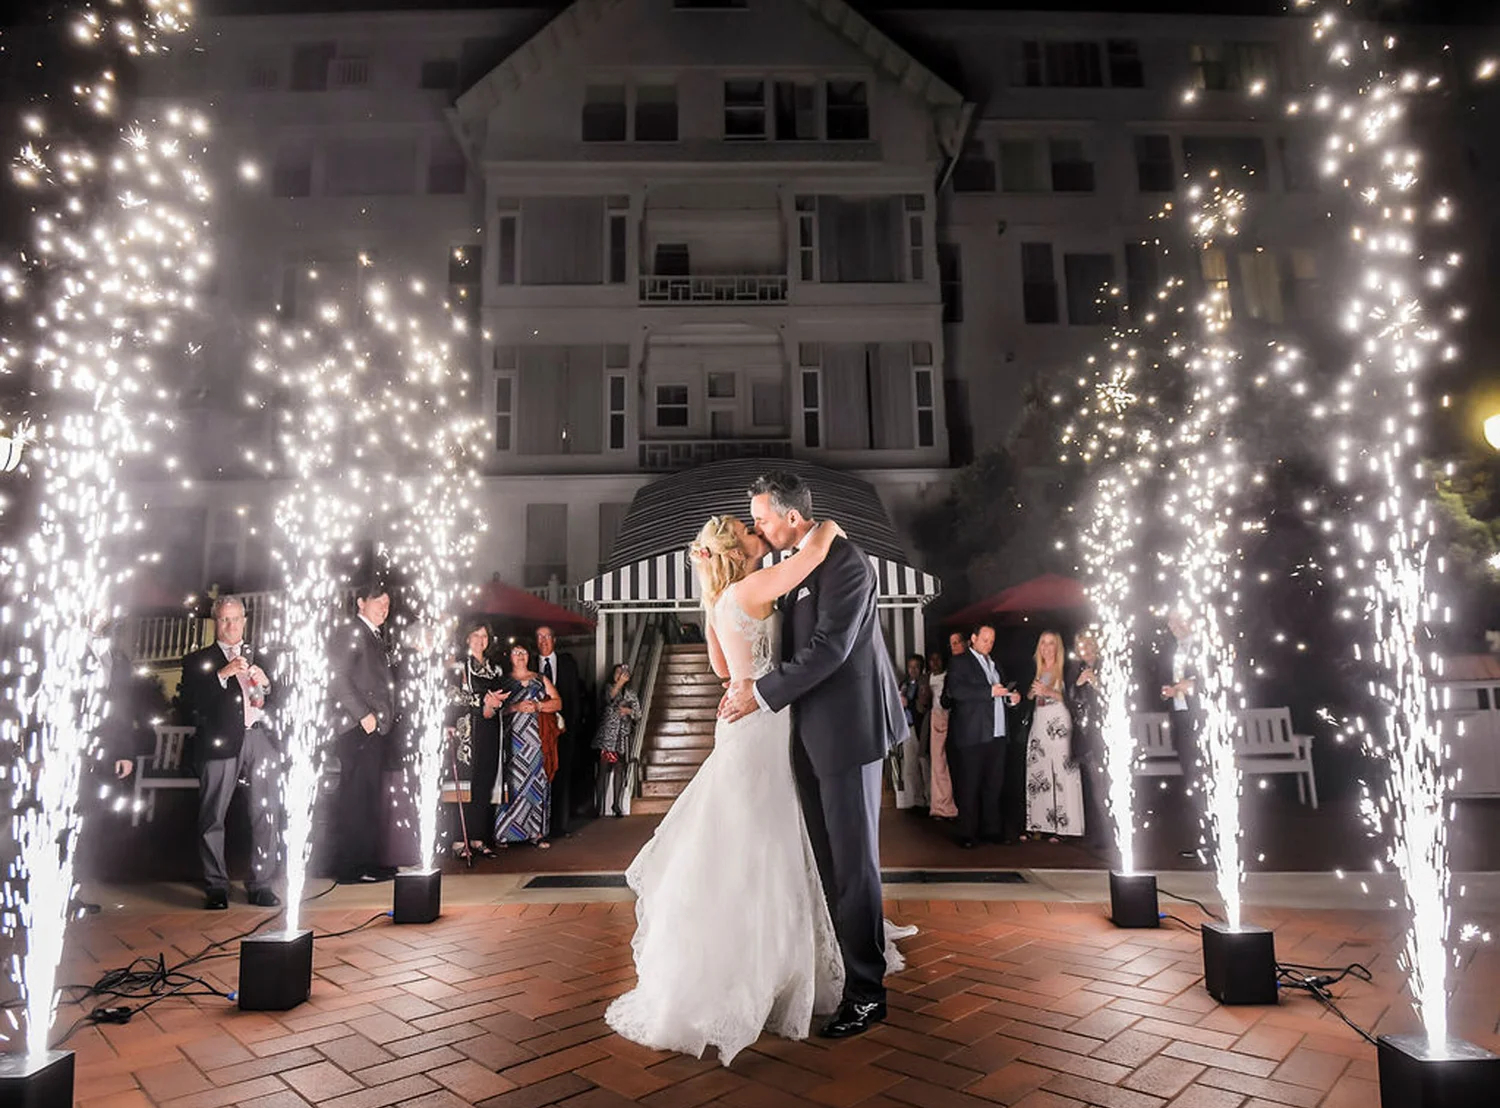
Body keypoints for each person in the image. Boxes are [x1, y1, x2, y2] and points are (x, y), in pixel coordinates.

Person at [609, 506, 906, 1066]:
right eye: (750, 529)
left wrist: (744, 666)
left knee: (751, 849)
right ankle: (772, 968)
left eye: (758, 521)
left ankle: (753, 964)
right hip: (764, 725)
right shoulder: (755, 586)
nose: (758, 531)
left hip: (746, 728)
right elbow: (811, 556)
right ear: (736, 549)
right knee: (770, 847)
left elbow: (724, 672)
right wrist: (828, 528)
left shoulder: (722, 599)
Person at [717, 471, 911, 1041]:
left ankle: (868, 995)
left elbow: (832, 648)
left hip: (848, 734)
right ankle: (842, 972)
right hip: (804, 735)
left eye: (762, 518)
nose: (758, 527)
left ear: (792, 517)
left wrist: (760, 693)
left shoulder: (846, 562)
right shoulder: (798, 565)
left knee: (854, 867)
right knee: (826, 864)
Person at [179, 597, 282, 909]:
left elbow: (282, 699)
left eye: (236, 619)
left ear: (245, 620)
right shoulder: (198, 660)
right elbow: (190, 705)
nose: (231, 625)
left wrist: (268, 686)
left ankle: (261, 884)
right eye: (224, 619)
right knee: (213, 815)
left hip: (261, 739)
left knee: (266, 813)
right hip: (220, 743)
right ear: (216, 622)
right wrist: (221, 675)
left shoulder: (263, 655)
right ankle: (216, 886)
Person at [329, 583, 398, 884]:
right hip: (356, 728)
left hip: (374, 727)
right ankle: (350, 867)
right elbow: (337, 677)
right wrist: (363, 715)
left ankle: (368, 861)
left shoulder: (375, 636)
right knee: (356, 798)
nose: (384, 608)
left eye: (387, 604)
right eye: (378, 602)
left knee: (369, 797)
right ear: (361, 603)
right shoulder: (351, 632)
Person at [941, 622, 1021, 849]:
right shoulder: (960, 662)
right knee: (969, 784)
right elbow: (956, 691)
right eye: (985, 640)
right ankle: (967, 832)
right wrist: (989, 691)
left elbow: (999, 692)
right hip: (972, 734)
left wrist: (1011, 698)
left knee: (993, 785)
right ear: (973, 639)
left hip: (997, 732)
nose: (988, 644)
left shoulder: (995, 664)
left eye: (992, 641)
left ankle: (991, 830)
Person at [493, 643, 561, 848]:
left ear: (528, 655)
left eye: (523, 652)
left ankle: (536, 833)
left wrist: (539, 705)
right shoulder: (503, 681)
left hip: (536, 740)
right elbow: (496, 709)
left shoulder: (540, 679)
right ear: (510, 656)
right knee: (511, 784)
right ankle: (504, 833)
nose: (520, 655)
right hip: (511, 741)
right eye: (516, 652)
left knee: (536, 783)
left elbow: (558, 702)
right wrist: (516, 707)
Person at [451, 621, 507, 858]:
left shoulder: (495, 668)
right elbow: (454, 697)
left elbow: (502, 694)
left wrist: (495, 704)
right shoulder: (459, 665)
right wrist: (482, 702)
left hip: (490, 726)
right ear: (467, 638)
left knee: (485, 781)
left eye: (484, 636)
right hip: (468, 729)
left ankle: (478, 836)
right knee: (466, 782)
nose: (480, 640)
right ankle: (459, 839)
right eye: (476, 635)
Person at [1023, 630, 1084, 842]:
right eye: (1043, 643)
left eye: (1051, 643)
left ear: (1057, 647)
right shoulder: (1037, 669)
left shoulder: (1066, 669)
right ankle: (1040, 823)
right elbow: (1030, 697)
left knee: (1063, 773)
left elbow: (1074, 698)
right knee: (1039, 772)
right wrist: (1032, 692)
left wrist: (1049, 692)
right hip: (1039, 724)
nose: (1046, 648)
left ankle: (1066, 827)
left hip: (1060, 726)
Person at [1161, 609, 1203, 857]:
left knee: (1202, 778)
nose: (1173, 625)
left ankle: (1213, 841)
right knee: (1192, 781)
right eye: (1170, 621)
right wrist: (1169, 691)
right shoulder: (1174, 650)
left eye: (1177, 620)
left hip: (1201, 721)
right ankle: (1202, 839)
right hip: (1181, 720)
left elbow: (1217, 678)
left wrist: (1193, 685)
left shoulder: (1202, 645)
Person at [534, 624, 583, 835]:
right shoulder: (530, 664)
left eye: (547, 636)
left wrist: (573, 726)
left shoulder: (567, 663)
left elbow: (574, 696)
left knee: (561, 775)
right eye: (539, 637)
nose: (543, 641)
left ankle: (559, 826)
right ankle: (538, 825)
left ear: (554, 640)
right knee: (539, 775)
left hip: (563, 731)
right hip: (538, 732)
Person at [1067, 630, 1112, 850]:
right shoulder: (1076, 669)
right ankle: (1100, 832)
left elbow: (1114, 696)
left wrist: (1096, 683)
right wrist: (1078, 684)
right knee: (1094, 785)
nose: (1085, 651)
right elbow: (1071, 700)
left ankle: (1112, 830)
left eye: (1088, 645)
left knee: (1107, 784)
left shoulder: (1107, 666)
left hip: (1107, 734)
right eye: (1081, 647)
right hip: (1087, 736)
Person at [592, 662, 639, 818]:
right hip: (608, 736)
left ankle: (616, 805)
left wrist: (629, 711)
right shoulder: (608, 688)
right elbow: (609, 698)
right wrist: (620, 683)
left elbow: (638, 713)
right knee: (602, 770)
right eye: (617, 673)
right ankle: (597, 805)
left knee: (619, 769)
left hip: (622, 737)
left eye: (623, 673)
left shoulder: (630, 693)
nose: (620, 675)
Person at [893, 655, 930, 810]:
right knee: (910, 766)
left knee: (925, 765)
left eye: (916, 667)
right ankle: (917, 801)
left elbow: (924, 705)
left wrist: (909, 703)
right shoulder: (904, 684)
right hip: (907, 727)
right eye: (910, 667)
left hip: (920, 727)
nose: (913, 670)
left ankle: (930, 800)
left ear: (921, 668)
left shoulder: (925, 682)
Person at [924, 650, 957, 820]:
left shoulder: (949, 676)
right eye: (932, 660)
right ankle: (939, 806)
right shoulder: (926, 678)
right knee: (937, 763)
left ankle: (950, 806)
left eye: (938, 659)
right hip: (935, 718)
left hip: (950, 718)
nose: (935, 663)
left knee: (948, 763)